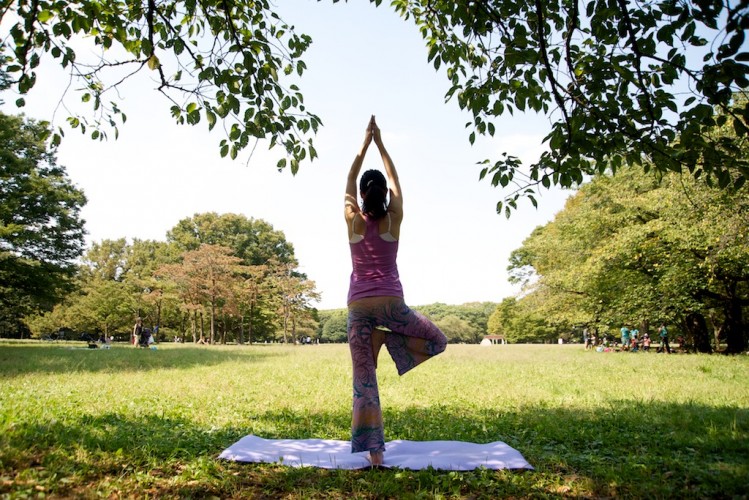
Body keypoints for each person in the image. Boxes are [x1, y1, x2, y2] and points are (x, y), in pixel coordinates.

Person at [345, 116, 448, 467]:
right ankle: (387, 339)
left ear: (362, 194)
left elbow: (348, 179)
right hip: (392, 305)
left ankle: (374, 454)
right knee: (438, 340)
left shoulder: (352, 220)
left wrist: (364, 144)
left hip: (359, 306)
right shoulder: (394, 218)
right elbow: (395, 180)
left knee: (364, 380)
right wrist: (381, 144)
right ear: (385, 195)